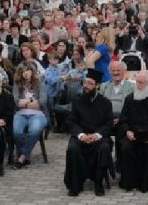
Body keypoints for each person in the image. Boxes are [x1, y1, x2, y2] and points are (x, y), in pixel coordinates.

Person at [64, 68, 114, 197]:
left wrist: (96, 135)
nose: (86, 86)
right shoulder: (77, 101)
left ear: (97, 86)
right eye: (85, 83)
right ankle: (75, 184)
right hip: (81, 136)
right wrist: (81, 135)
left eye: (90, 83)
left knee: (104, 147)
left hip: (99, 137)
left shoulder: (106, 103)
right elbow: (71, 122)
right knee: (72, 148)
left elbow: (109, 124)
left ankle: (98, 183)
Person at [12, 61, 48, 169]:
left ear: (32, 71)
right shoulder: (17, 85)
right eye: (23, 71)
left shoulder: (39, 83)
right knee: (16, 132)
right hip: (20, 114)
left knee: (35, 130)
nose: (26, 73)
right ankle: (26, 155)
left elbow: (42, 101)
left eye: (27, 71)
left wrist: (25, 102)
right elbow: (16, 102)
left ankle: (22, 157)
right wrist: (32, 101)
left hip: (38, 114)